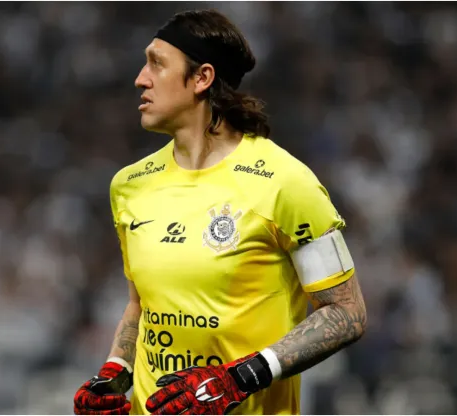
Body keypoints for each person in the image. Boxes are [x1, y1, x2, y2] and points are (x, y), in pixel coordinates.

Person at [74, 9, 367, 415]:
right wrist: (115, 372)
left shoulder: (284, 182)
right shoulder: (130, 185)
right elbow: (142, 305)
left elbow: (346, 312)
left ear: (202, 78)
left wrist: (241, 377)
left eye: (157, 64)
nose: (140, 79)